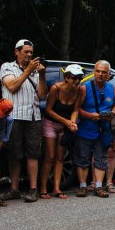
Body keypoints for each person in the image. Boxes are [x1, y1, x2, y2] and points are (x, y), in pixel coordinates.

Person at [0, 39, 47, 202]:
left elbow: (41, 95)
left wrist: (42, 75)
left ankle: (33, 189)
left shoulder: (36, 71)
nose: (29, 55)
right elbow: (12, 86)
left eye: (31, 53)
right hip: (14, 115)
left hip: (33, 116)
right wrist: (27, 71)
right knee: (14, 154)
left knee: (33, 153)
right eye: (25, 52)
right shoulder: (7, 67)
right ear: (16, 52)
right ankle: (14, 189)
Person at [40, 64, 84, 199]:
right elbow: (48, 109)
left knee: (60, 157)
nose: (76, 81)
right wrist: (66, 122)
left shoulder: (79, 90)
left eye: (79, 79)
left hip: (64, 126)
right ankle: (43, 189)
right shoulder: (56, 88)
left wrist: (72, 122)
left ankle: (57, 188)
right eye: (73, 78)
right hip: (51, 123)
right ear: (66, 78)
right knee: (50, 157)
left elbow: (76, 109)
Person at [74, 61, 114, 197]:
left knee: (101, 158)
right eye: (98, 71)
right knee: (83, 158)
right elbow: (76, 108)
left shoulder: (111, 88)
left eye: (104, 72)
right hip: (85, 128)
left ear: (108, 74)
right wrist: (90, 116)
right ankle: (83, 186)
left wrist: (112, 113)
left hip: (103, 130)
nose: (100, 74)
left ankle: (98, 186)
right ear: (94, 72)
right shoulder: (85, 88)